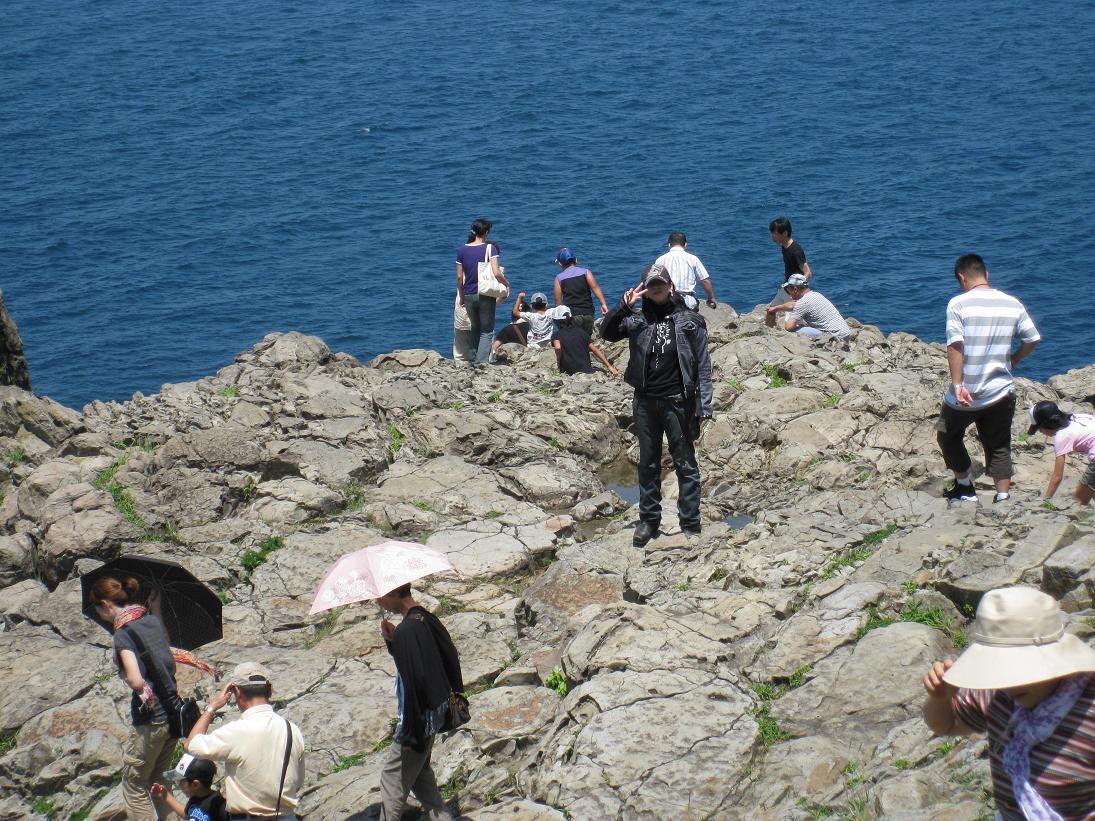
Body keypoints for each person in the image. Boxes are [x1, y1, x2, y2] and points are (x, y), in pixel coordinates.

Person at [921, 586, 1095, 820]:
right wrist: (940, 698)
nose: (1012, 684)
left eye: (1022, 669)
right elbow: (948, 724)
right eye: (1003, 670)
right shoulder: (996, 694)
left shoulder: (1088, 708)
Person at [601, 268, 713, 546]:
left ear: (670, 286)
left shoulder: (690, 320)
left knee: (685, 462)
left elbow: (703, 365)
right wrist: (623, 306)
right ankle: (649, 521)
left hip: (679, 401)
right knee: (648, 463)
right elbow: (606, 333)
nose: (656, 288)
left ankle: (690, 522)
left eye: (660, 283)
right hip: (645, 401)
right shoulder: (637, 320)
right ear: (645, 289)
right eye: (651, 285)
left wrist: (704, 406)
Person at [89, 575, 212, 821]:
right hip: (173, 715)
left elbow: (136, 680)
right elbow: (165, 642)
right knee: (158, 779)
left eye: (97, 609)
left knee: (134, 784)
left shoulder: (122, 635)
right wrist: (156, 607)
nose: (99, 615)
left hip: (151, 719)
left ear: (106, 604)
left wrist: (126, 675)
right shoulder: (151, 621)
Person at [937, 254, 1040, 504]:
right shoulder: (1012, 303)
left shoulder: (958, 304)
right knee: (999, 443)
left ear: (962, 278)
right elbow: (1032, 338)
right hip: (1001, 391)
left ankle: (965, 488)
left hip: (967, 393)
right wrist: (1013, 361)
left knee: (946, 433)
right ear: (986, 274)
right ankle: (1003, 496)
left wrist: (958, 385)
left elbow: (955, 345)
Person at [377, 583, 463, 821]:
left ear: (393, 592)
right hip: (435, 714)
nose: (378, 602)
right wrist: (394, 642)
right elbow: (447, 656)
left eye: (380, 596)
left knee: (391, 780)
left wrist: (411, 734)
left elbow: (416, 683)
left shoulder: (407, 630)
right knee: (420, 776)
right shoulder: (425, 618)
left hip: (418, 721)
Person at [186, 663, 306, 819]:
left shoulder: (236, 731)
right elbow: (297, 783)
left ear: (237, 692)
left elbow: (191, 744)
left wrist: (212, 707)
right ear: (270, 690)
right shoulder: (292, 730)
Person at [456, 219, 511, 366]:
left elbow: (459, 277)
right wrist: (506, 284)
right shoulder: (490, 248)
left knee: (475, 327)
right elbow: (496, 272)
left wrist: (461, 296)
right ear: (486, 232)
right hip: (485, 293)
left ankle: (472, 360)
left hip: (468, 293)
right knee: (487, 330)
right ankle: (480, 363)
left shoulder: (462, 250)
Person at [1028, 400, 1095, 505]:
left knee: (1079, 503)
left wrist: (1046, 500)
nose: (1041, 432)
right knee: (1090, 489)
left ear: (1047, 424)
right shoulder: (1078, 417)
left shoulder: (1061, 436)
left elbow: (1057, 476)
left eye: (1039, 429)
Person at [765, 273, 850, 339]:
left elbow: (788, 327)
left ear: (795, 289)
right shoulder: (816, 294)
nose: (788, 293)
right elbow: (793, 304)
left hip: (835, 337)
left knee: (792, 331)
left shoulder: (803, 303)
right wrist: (775, 308)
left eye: (788, 289)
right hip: (845, 333)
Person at [765, 216, 813, 326]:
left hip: (793, 293)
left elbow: (808, 272)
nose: (772, 236)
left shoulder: (796, 250)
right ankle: (768, 334)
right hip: (786, 289)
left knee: (791, 325)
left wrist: (797, 290)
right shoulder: (784, 246)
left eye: (775, 233)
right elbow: (790, 269)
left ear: (785, 233)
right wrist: (785, 283)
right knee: (770, 310)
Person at [651, 231, 717, 311]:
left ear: (669, 245)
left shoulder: (660, 260)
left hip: (667, 301)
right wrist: (711, 298)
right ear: (685, 245)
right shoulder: (693, 259)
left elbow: (652, 281)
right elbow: (705, 280)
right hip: (687, 302)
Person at [150, 756, 228, 821]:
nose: (179, 785)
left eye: (179, 781)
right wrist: (166, 796)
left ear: (195, 784)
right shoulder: (194, 798)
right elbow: (186, 814)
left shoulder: (218, 803)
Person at [551, 306, 620, 377]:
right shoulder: (581, 331)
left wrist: (558, 362)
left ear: (556, 321)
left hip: (569, 371)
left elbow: (558, 347)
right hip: (586, 369)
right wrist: (609, 366)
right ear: (571, 318)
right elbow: (594, 349)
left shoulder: (556, 335)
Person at [553, 247, 609, 334]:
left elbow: (558, 300)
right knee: (587, 336)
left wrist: (559, 315)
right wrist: (603, 304)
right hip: (588, 313)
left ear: (560, 264)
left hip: (572, 316)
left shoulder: (559, 278)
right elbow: (596, 288)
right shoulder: (586, 272)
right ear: (576, 260)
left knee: (576, 338)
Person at [489, 291, 553, 363]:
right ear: (529, 310)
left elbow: (494, 349)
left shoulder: (506, 330)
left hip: (514, 361)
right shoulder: (534, 325)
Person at [452, 295, 475, 365]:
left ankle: (460, 365)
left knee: (460, 351)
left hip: (462, 306)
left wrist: (462, 298)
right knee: (485, 337)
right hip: (481, 305)